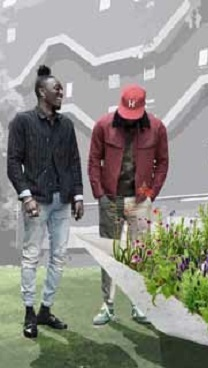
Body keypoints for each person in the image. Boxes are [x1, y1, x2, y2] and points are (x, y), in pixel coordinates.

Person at [7, 65, 85, 338]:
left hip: (62, 201)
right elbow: (13, 163)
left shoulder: (67, 125)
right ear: (42, 92)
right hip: (36, 202)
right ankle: (29, 312)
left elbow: (74, 161)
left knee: (59, 257)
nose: (61, 92)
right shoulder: (22, 122)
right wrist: (25, 196)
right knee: (31, 257)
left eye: (61, 88)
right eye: (57, 88)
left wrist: (78, 195)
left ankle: (45, 309)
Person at [88, 84, 169, 326]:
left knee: (139, 254)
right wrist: (100, 194)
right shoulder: (103, 125)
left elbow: (162, 163)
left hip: (139, 200)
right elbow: (93, 161)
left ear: (144, 108)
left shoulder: (157, 128)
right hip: (110, 200)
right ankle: (108, 305)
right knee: (109, 252)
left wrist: (151, 193)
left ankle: (138, 304)